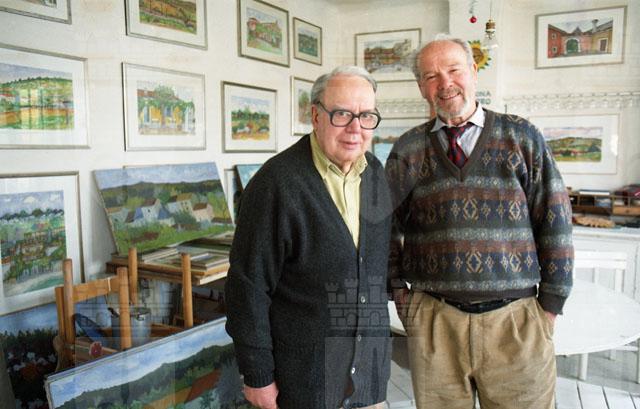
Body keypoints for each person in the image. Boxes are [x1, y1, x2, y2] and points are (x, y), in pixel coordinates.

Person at [386, 34, 574, 409]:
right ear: (421, 87)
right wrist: (398, 291)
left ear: (474, 72)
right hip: (435, 322)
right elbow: (384, 226)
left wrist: (550, 305)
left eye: (454, 70)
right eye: (431, 76)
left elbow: (554, 219)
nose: (445, 83)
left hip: (516, 321)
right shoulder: (407, 149)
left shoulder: (522, 136)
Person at [225, 65, 393, 409]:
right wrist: (257, 374)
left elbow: (374, 267)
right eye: (342, 114)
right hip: (305, 382)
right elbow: (248, 288)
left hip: (367, 377)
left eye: (366, 116)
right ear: (315, 116)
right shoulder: (276, 184)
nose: (355, 128)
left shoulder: (375, 174)